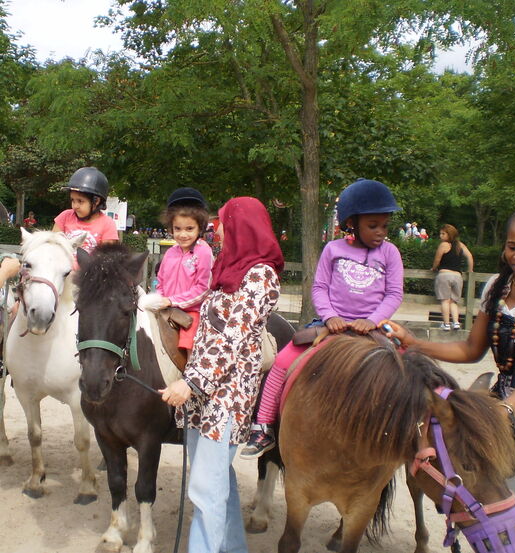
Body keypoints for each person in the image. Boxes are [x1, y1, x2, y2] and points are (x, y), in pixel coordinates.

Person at [384, 201, 515, 553]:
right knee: (506, 512)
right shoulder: (496, 289)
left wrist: (504, 411)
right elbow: (472, 349)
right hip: (509, 413)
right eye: (512, 246)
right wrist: (414, 344)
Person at [241, 178, 404, 458]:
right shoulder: (333, 250)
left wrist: (373, 319)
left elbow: (394, 293)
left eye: (384, 226)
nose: (380, 232)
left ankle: (406, 433)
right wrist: (329, 317)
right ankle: (264, 426)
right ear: (352, 223)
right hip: (331, 324)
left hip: (372, 326)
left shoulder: (389, 253)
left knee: (407, 368)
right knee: (282, 361)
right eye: (373, 226)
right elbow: (319, 288)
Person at [158, 197, 283, 553]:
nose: (218, 227)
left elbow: (234, 336)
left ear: (242, 225)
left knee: (204, 490)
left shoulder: (261, 275)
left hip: (226, 397)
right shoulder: (229, 266)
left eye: (224, 221)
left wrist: (191, 381)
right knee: (217, 482)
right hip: (204, 395)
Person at [144, 188, 213, 356]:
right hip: (166, 307)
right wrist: (160, 299)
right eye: (178, 228)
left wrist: (172, 301)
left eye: (189, 229)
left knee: (190, 346)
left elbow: (203, 289)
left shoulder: (204, 252)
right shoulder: (170, 252)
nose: (183, 234)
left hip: (192, 312)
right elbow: (160, 281)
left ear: (200, 228)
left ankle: (191, 378)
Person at [52, 167, 118, 253]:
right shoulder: (65, 216)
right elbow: (52, 247)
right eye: (72, 200)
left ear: (96, 201)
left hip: (92, 266)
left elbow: (107, 259)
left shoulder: (108, 224)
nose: (75, 206)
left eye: (80, 201)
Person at [431, 224, 474, 330]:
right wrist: (470, 270)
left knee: (445, 300)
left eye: (443, 233)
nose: (440, 236)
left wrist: (433, 268)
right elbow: (470, 257)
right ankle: (456, 322)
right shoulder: (460, 245)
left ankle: (446, 324)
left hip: (444, 274)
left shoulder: (443, 245)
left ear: (449, 234)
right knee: (454, 301)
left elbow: (437, 260)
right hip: (457, 276)